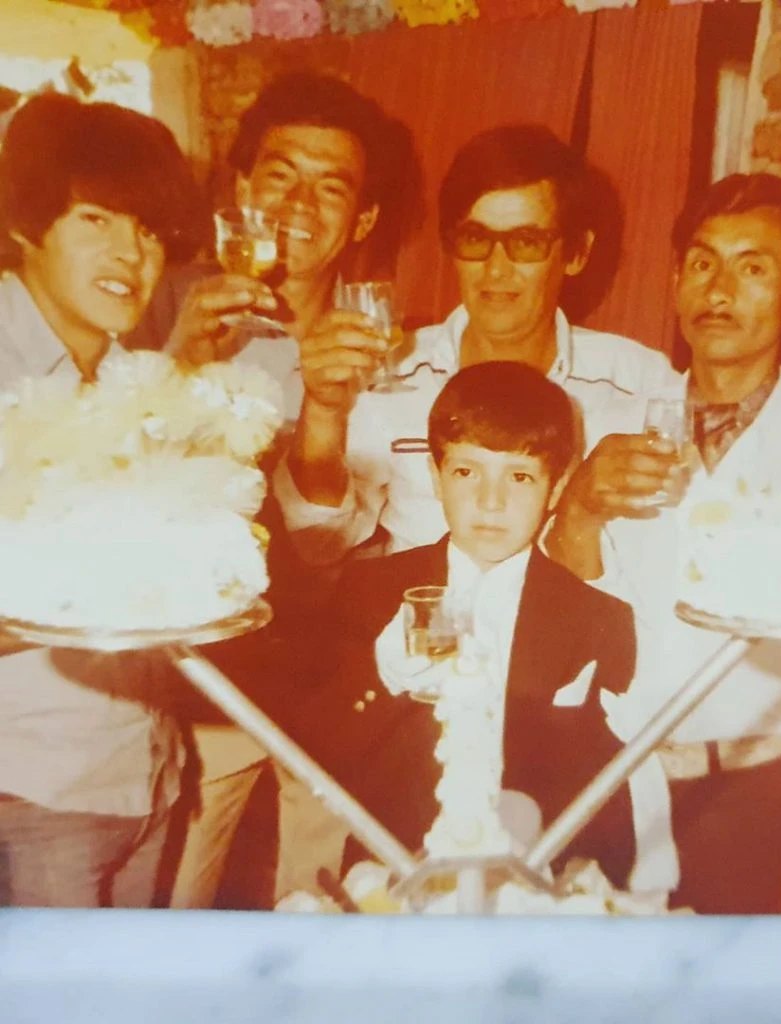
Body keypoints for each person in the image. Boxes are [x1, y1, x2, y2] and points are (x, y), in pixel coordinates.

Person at [545, 173, 781, 914]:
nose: (719, 289)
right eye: (702, 262)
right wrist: (578, 508)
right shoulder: (609, 424)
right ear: (675, 282)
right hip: (608, 786)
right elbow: (564, 608)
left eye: (751, 267)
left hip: (751, 800)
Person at [130, 73, 425, 910]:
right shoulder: (158, 306)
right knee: (170, 908)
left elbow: (338, 538)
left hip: (332, 681)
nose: (299, 204)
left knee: (323, 910)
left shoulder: (386, 350)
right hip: (197, 682)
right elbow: (102, 482)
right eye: (280, 175)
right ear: (240, 190)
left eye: (331, 187)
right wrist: (179, 368)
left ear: (362, 219)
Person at [291, 361, 638, 890]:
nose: (490, 502)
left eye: (519, 477)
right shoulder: (371, 590)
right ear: (435, 476)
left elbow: (606, 786)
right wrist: (382, 674)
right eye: (466, 472)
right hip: (392, 875)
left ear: (556, 487)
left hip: (527, 884)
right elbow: (317, 749)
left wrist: (583, 880)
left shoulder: (596, 617)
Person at [282, 122, 682, 560]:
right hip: (420, 602)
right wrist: (322, 410)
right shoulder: (389, 371)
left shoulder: (640, 383)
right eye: (476, 239)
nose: (496, 269)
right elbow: (318, 543)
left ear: (576, 253)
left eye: (526, 243)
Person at [0, 93, 203, 906]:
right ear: (27, 225)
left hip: (143, 777)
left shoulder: (126, 375)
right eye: (96, 219)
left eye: (148, 229)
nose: (130, 252)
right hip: (31, 793)